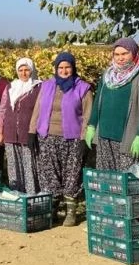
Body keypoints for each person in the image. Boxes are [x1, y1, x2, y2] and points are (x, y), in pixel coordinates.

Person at [29, 52, 93, 226]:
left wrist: (84, 138)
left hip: (72, 138)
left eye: (67, 67)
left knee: (72, 173)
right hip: (47, 136)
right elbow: (37, 109)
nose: (64, 71)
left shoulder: (82, 88)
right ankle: (53, 208)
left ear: (73, 68)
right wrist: (32, 131)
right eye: (61, 67)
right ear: (56, 69)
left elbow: (88, 115)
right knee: (50, 173)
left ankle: (71, 212)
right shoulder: (47, 85)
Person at [86, 38, 139, 170]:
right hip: (104, 136)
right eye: (117, 54)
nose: (120, 58)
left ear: (134, 53)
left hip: (128, 139)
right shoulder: (107, 75)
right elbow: (98, 101)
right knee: (107, 180)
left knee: (126, 182)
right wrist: (92, 126)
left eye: (124, 54)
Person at [0, 58, 43, 194]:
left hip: (28, 134)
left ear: (32, 70)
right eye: (20, 70)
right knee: (13, 168)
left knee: (29, 167)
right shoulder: (10, 87)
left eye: (27, 70)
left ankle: (31, 197)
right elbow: (2, 110)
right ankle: (16, 196)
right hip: (10, 133)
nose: (23, 73)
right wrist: (0, 131)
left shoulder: (38, 87)